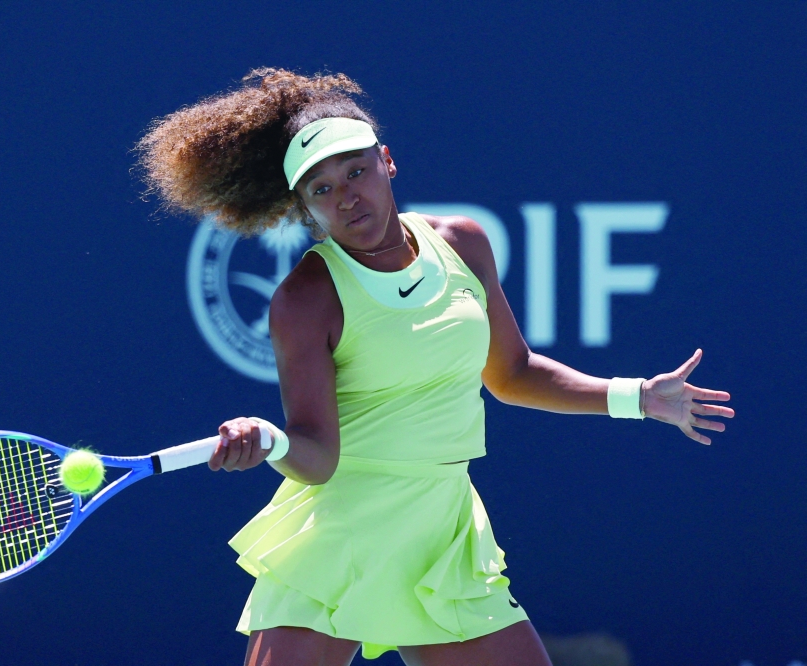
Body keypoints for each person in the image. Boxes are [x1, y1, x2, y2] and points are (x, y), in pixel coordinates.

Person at [135, 68, 734, 666]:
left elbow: (512, 373)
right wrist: (267, 439)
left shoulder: (463, 244)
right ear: (305, 209)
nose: (346, 196)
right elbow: (315, 457)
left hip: (442, 535)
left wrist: (636, 396)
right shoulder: (306, 298)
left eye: (356, 171)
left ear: (386, 161)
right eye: (320, 189)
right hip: (342, 535)